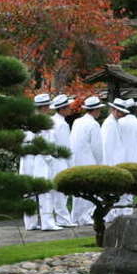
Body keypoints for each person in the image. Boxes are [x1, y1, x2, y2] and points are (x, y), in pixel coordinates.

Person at [21, 93, 62, 231]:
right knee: (45, 191)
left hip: (27, 159)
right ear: (44, 107)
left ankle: (30, 223)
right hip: (40, 160)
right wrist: (50, 160)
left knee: (29, 193)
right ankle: (47, 222)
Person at [69, 96, 104, 226]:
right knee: (89, 191)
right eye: (99, 109)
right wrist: (100, 163)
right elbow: (97, 147)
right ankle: (85, 216)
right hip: (88, 160)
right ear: (95, 110)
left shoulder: (77, 122)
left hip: (76, 160)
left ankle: (75, 216)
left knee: (78, 191)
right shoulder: (93, 124)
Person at [48, 94, 75, 227]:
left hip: (53, 160)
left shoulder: (52, 121)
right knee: (61, 192)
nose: (70, 109)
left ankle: (60, 218)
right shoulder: (62, 125)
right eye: (68, 107)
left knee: (55, 192)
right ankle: (63, 219)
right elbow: (66, 147)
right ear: (63, 109)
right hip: (60, 160)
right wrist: (71, 166)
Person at [102, 97, 130, 219]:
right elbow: (107, 147)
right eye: (120, 111)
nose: (122, 114)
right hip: (112, 162)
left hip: (117, 160)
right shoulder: (109, 124)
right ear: (114, 110)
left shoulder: (115, 123)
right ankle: (109, 214)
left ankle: (115, 213)